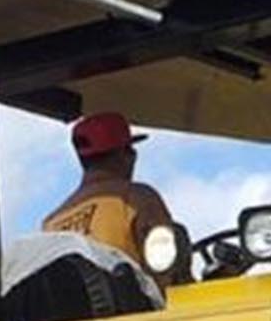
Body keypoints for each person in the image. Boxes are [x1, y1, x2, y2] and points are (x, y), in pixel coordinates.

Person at [40, 112, 177, 270]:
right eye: (131, 149)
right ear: (126, 153)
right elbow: (165, 269)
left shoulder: (50, 225)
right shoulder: (138, 198)